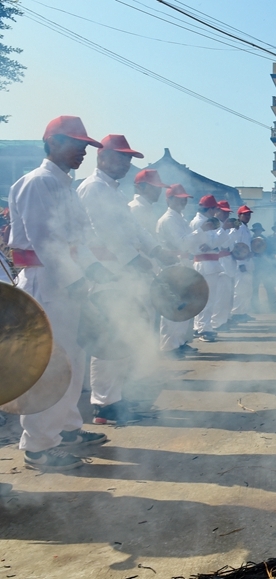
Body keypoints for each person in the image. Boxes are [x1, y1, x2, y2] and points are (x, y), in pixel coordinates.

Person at [7, 116, 110, 471]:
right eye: (76, 144)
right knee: (52, 367)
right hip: (47, 285)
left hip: (68, 284)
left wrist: (102, 275)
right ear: (52, 142)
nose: (83, 151)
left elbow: (83, 236)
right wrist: (79, 282)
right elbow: (46, 243)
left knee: (73, 361)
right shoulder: (38, 183)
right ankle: (38, 446)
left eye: (85, 146)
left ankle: (66, 430)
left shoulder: (65, 185)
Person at [77, 134, 174, 425]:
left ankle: (117, 397)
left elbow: (132, 231)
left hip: (123, 274)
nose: (124, 163)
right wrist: (134, 259)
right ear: (102, 156)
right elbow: (103, 234)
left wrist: (156, 249)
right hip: (106, 273)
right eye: (120, 157)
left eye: (127, 159)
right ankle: (104, 406)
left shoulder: (113, 193)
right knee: (108, 340)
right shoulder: (93, 188)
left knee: (123, 338)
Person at [156, 184, 202, 357]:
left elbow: (190, 243)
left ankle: (179, 342)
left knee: (185, 307)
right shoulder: (168, 219)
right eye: (179, 199)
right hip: (172, 267)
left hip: (183, 266)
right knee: (172, 309)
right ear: (169, 199)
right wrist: (200, 232)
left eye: (184, 199)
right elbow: (182, 243)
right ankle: (169, 347)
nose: (183, 202)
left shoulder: (179, 218)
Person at [190, 194, 224, 342]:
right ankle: (203, 329)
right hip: (205, 263)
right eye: (214, 209)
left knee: (208, 298)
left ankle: (201, 327)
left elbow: (214, 242)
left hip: (209, 263)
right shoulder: (200, 222)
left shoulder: (205, 221)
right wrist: (222, 233)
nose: (215, 212)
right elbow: (209, 243)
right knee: (207, 298)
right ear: (209, 209)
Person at [211, 200, 237, 331]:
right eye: (224, 212)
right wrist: (226, 229)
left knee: (226, 297)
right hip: (220, 264)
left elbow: (230, 244)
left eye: (227, 213)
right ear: (217, 211)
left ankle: (223, 320)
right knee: (219, 297)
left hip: (228, 263)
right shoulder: (215, 226)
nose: (226, 215)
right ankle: (216, 323)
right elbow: (222, 245)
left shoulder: (225, 227)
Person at [230, 205, 255, 322]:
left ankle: (243, 312)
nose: (247, 216)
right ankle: (236, 313)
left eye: (248, 214)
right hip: (241, 263)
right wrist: (241, 263)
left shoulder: (245, 228)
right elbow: (237, 246)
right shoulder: (238, 228)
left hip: (248, 261)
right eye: (245, 214)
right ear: (239, 215)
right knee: (239, 289)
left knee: (247, 289)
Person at [128, 169, 167, 236]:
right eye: (153, 187)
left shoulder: (146, 208)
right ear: (139, 187)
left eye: (159, 187)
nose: (158, 191)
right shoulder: (135, 208)